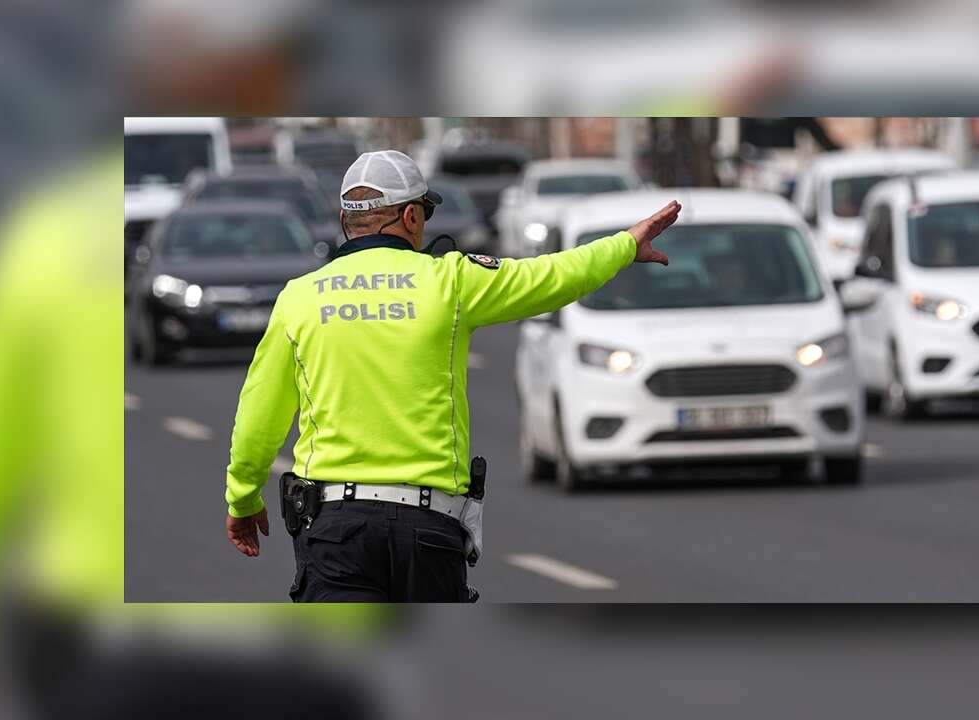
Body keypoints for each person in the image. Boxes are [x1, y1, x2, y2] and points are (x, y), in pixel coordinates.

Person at [225, 149, 680, 601]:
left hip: (335, 531)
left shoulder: (299, 298)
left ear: (347, 220)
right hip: (428, 529)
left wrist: (243, 500)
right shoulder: (451, 281)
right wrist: (624, 246)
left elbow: (258, 417)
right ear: (409, 217)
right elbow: (552, 277)